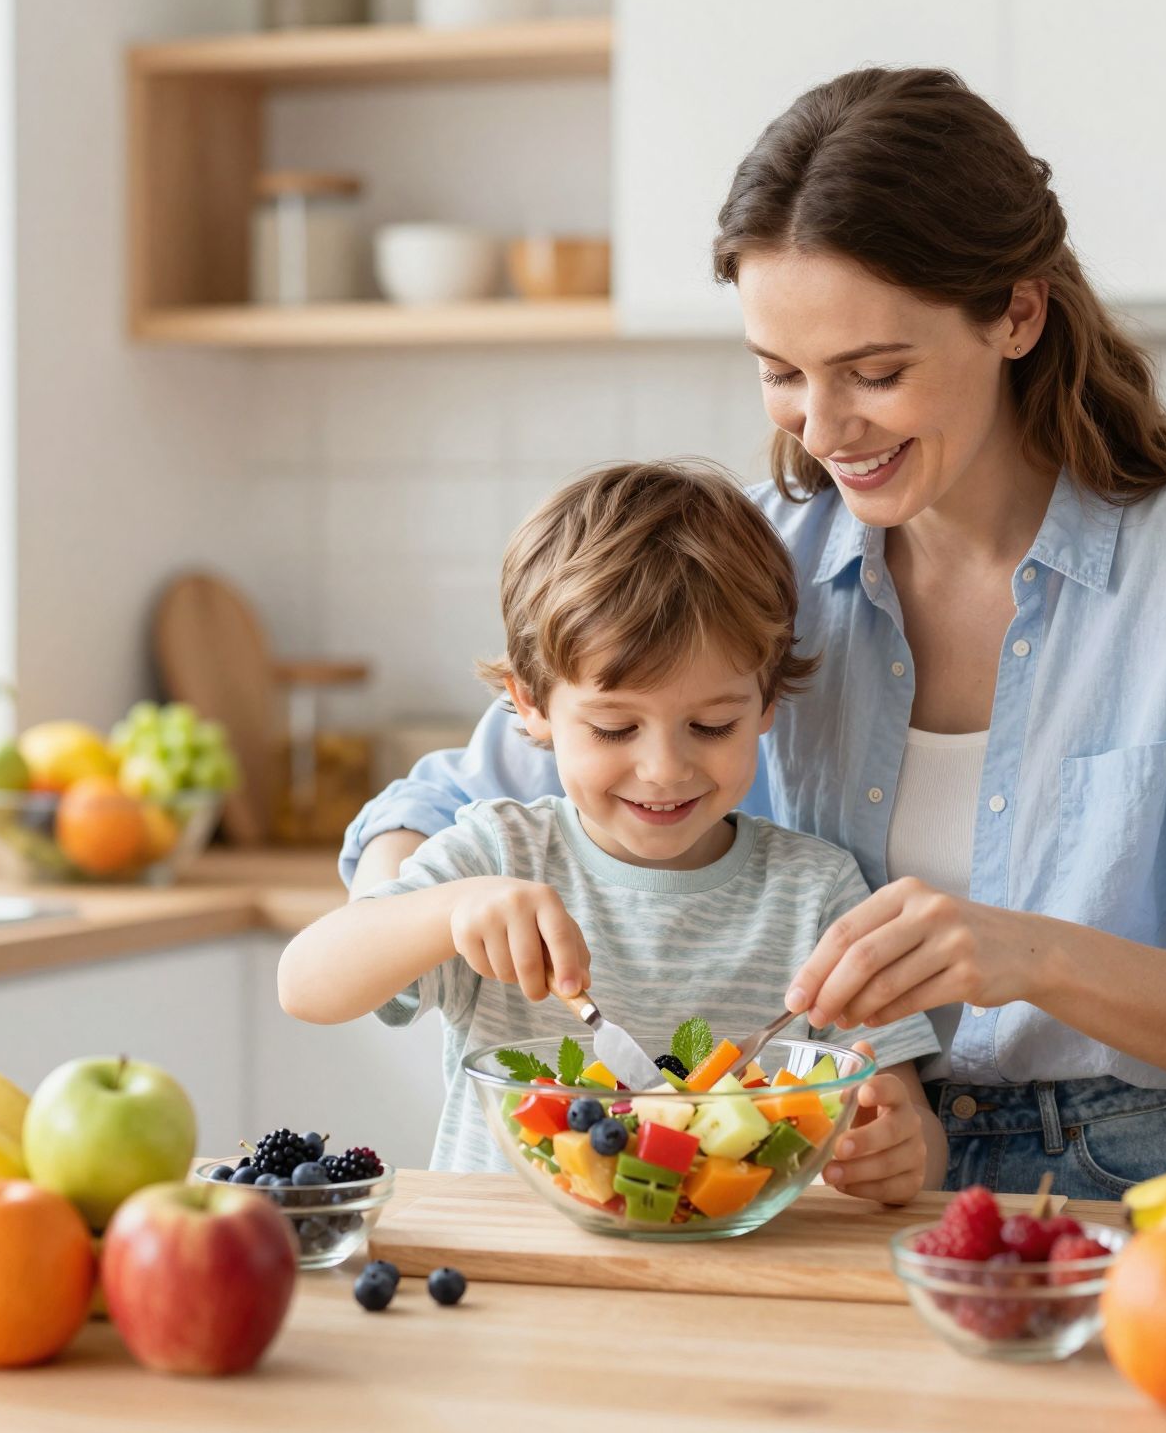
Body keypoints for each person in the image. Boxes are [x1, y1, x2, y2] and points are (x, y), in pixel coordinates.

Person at [338, 68, 1166, 1200]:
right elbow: (425, 817)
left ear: (1017, 314)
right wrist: (441, 906)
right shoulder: (746, 561)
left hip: (1132, 1176)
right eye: (781, 374)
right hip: (817, 1183)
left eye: (874, 373)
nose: (824, 429)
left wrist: (1037, 956)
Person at [281, 460, 943, 1202]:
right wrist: (448, 910)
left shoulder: (817, 894)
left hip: (733, 1259)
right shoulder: (498, 856)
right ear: (530, 705)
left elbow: (907, 1120)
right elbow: (305, 985)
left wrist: (899, 1149)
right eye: (615, 728)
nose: (663, 769)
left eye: (711, 725)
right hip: (503, 1258)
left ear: (766, 702)